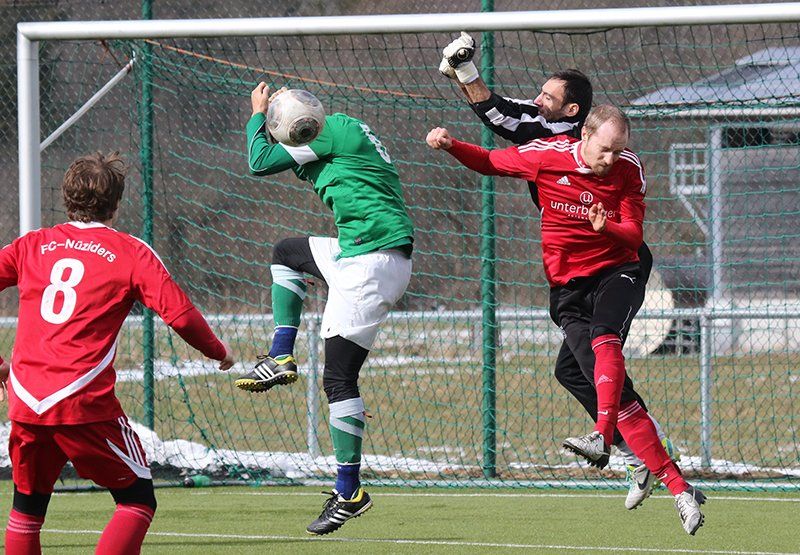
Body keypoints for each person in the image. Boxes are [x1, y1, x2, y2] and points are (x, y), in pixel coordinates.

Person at [426, 105, 706, 536]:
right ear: (584, 135)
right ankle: (656, 469)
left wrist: (606, 228)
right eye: (605, 149)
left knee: (604, 337)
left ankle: (607, 438)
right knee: (574, 372)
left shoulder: (628, 168)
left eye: (618, 150)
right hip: (568, 286)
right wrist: (450, 145)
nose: (610, 159)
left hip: (619, 268)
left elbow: (634, 234)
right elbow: (490, 162)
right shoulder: (546, 155)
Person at [439, 31, 678, 509]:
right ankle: (631, 446)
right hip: (579, 268)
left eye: (547, 97)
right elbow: (503, 114)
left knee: (597, 354)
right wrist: (463, 76)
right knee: (571, 370)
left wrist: (465, 72)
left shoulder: (568, 137)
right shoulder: (548, 131)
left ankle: (641, 448)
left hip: (616, 261)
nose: (537, 101)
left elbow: (501, 116)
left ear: (573, 114)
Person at [0, 152, 235, 555]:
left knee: (27, 508)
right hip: (81, 401)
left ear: (66, 197)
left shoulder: (32, 245)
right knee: (137, 500)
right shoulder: (130, 251)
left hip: (27, 401)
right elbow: (179, 315)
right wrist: (218, 350)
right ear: (116, 203)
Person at [235, 84, 414, 535]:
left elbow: (258, 161)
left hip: (372, 263)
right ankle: (281, 354)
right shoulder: (336, 132)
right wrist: (278, 118)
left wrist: (259, 114)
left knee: (338, 380)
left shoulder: (330, 131)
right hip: (361, 252)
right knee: (287, 253)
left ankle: (349, 492)